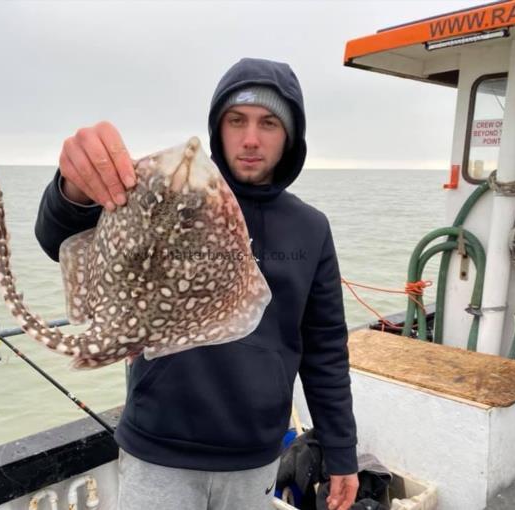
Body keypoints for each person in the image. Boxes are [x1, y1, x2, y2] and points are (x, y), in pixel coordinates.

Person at [35, 57, 359, 510]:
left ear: (290, 136)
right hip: (158, 450)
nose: (250, 138)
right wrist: (73, 188)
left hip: (254, 458)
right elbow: (61, 237)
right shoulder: (173, 196)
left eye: (268, 123)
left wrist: (341, 451)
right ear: (218, 127)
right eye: (236, 120)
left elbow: (324, 347)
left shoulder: (310, 228)